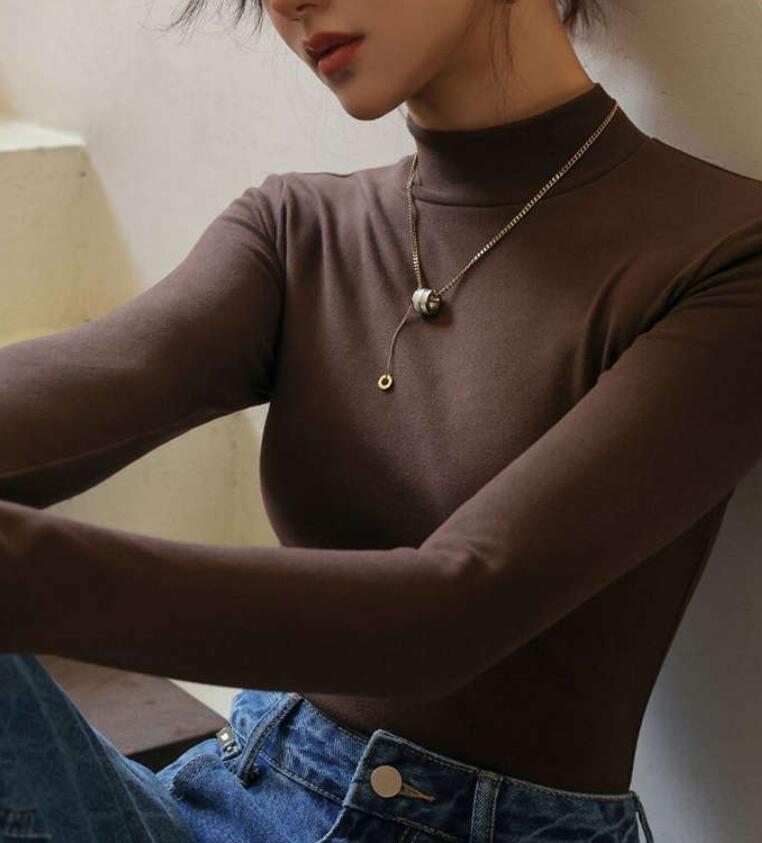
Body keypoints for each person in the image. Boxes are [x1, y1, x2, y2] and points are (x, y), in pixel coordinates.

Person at [2, 0, 761, 840]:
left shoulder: (727, 256)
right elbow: (83, 385)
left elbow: (452, 613)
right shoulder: (299, 230)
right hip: (224, 790)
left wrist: (27, 574)